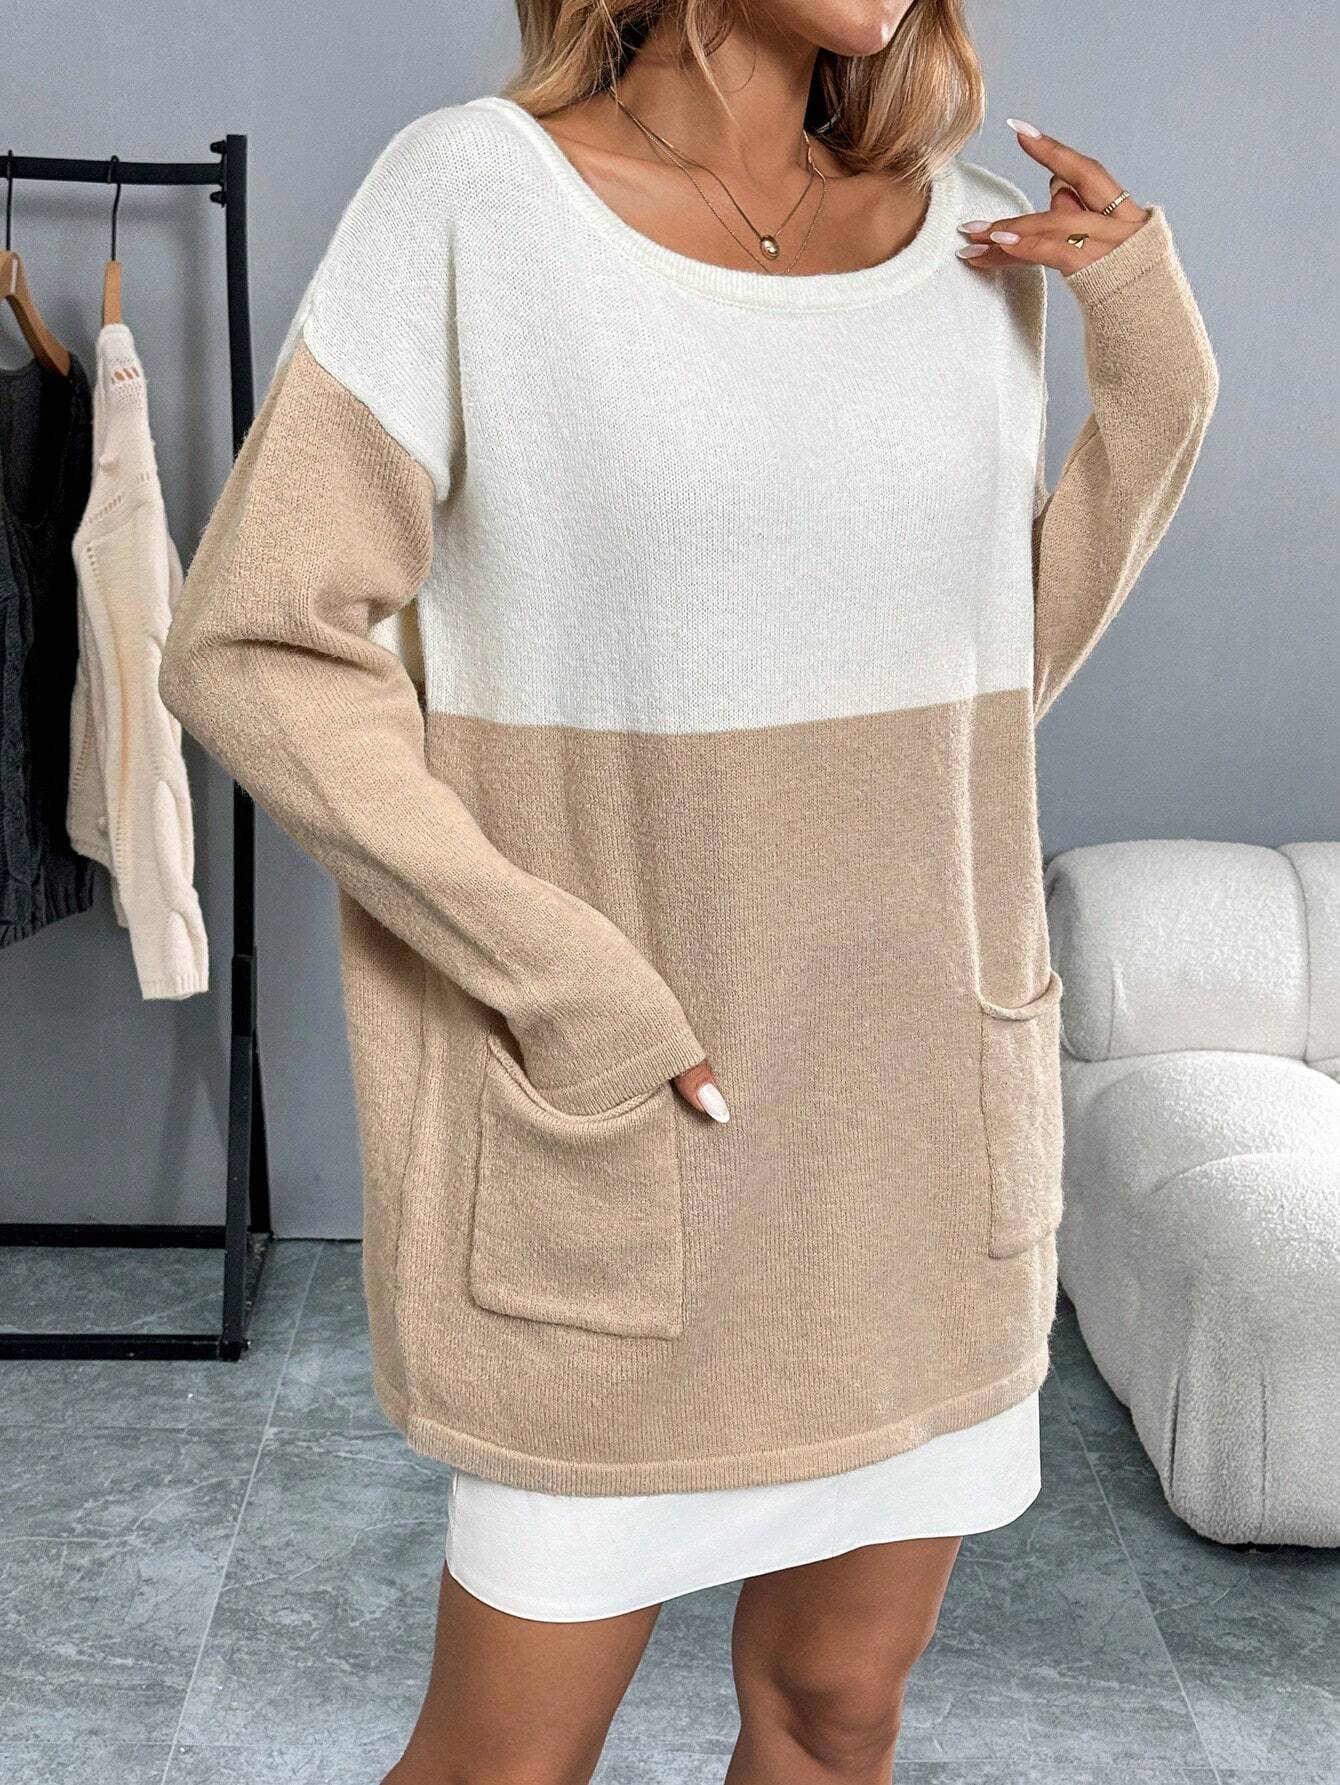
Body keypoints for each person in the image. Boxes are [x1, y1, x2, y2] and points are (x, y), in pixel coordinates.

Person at [158, 1, 1219, 1778]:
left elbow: (980, 683)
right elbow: (254, 645)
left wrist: (1157, 375)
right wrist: (567, 981)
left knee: (835, 1709)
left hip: (909, 1154)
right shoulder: (471, 202)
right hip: (635, 1136)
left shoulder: (973, 240)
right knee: (502, 1762)